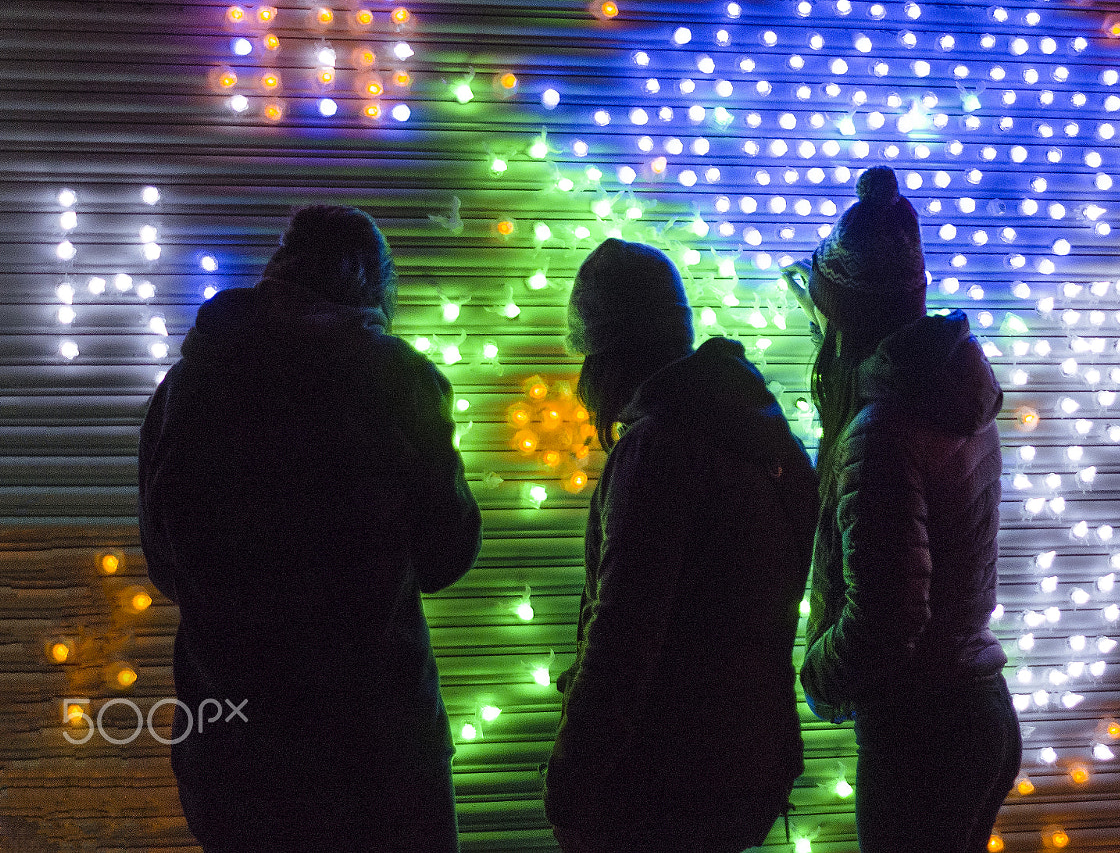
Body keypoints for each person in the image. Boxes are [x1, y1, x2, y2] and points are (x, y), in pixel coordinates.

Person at [138, 204, 481, 851]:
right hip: (374, 752)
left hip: (234, 752)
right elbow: (447, 553)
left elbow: (164, 563)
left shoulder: (190, 385)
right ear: (374, 288)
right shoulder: (396, 378)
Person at [545, 238, 819, 853]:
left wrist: (574, 772)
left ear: (611, 356)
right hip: (749, 759)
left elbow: (624, 629)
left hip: (663, 783)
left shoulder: (658, 449)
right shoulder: (759, 425)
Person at [791, 166, 1020, 853]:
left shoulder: (882, 429)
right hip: (973, 713)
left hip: (924, 736)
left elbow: (888, 614)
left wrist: (817, 676)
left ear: (846, 315)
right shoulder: (949, 389)